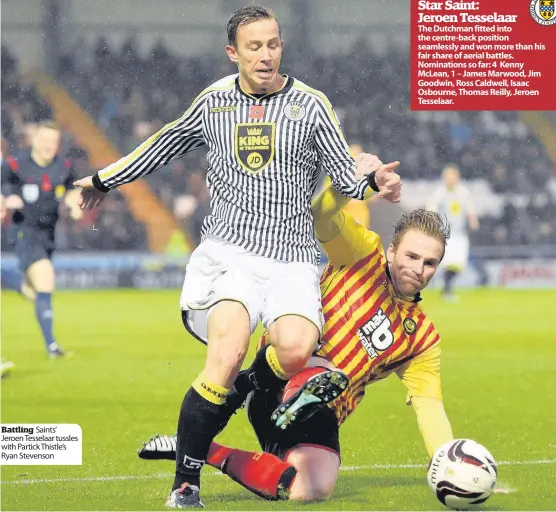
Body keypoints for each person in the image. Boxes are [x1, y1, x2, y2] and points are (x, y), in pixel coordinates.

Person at [73, 6, 402, 508]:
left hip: (294, 257)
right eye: (255, 46)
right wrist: (102, 179)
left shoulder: (312, 105)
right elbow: (164, 143)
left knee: (294, 351)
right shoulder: (215, 102)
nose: (266, 54)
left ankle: (241, 397)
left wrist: (374, 181)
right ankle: (185, 484)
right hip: (231, 254)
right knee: (225, 354)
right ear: (234, 52)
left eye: (273, 44)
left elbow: (344, 173)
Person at [138, 168, 455, 502]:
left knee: (310, 489)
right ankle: (298, 389)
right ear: (393, 250)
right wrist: (349, 183)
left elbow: (429, 406)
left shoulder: (422, 338)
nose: (419, 269)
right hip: (282, 370)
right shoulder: (363, 252)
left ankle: (202, 447)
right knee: (323, 367)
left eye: (430, 263)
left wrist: (446, 460)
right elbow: (320, 215)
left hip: (325, 412)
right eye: (412, 256)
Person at [1, 121, 82, 357]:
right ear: (34, 140)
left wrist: (73, 202)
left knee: (34, 292)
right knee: (46, 279)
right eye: (44, 140)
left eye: (53, 142)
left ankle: (10, 280)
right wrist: (5, 201)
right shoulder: (15, 163)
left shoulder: (64, 166)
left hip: (48, 234)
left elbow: (72, 189)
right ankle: (52, 347)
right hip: (23, 231)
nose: (49, 145)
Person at [426, 164, 479, 301]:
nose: (450, 180)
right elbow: (431, 209)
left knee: (459, 265)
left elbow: (470, 208)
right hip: (445, 235)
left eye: (452, 177)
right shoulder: (440, 193)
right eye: (447, 177)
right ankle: (447, 290)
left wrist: (473, 220)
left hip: (460, 234)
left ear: (457, 178)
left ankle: (445, 286)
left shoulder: (463, 193)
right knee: (446, 262)